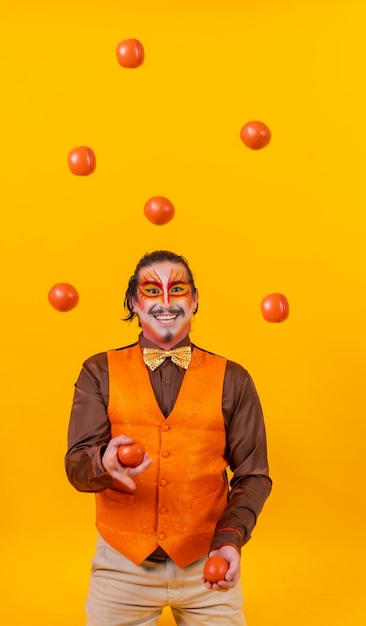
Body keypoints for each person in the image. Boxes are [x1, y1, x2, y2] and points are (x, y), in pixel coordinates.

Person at [65, 250, 272, 626]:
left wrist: (229, 540)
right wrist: (103, 463)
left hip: (206, 563)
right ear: (134, 302)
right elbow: (76, 463)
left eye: (177, 289)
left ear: (193, 300)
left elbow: (253, 475)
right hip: (122, 567)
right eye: (150, 290)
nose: (165, 302)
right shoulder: (98, 372)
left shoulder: (234, 379)